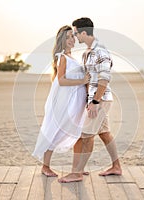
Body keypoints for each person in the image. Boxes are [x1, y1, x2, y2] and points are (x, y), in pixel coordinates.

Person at [59, 18, 122, 183]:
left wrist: (95, 102)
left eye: (76, 33)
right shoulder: (88, 52)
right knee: (104, 133)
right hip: (95, 100)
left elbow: (104, 79)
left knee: (86, 136)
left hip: (100, 101)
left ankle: (77, 173)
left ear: (84, 32)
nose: (75, 36)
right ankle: (117, 166)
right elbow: (89, 79)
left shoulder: (100, 52)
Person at [32, 25, 90, 177]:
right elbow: (62, 80)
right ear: (63, 40)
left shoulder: (72, 57)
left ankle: (78, 168)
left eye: (72, 36)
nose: (72, 39)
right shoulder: (62, 57)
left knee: (76, 132)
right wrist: (83, 80)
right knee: (56, 130)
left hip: (75, 101)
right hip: (66, 102)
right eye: (69, 37)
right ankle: (45, 167)